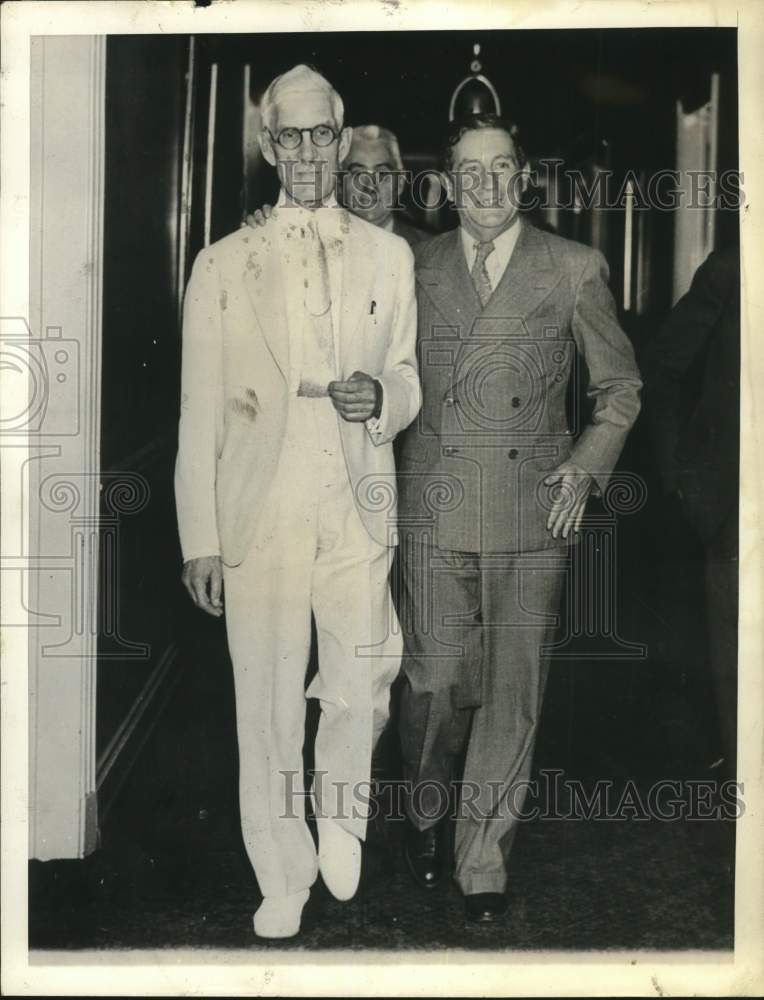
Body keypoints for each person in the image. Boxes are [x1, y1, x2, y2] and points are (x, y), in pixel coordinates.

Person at [175, 64, 420, 939]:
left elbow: (406, 375)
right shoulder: (222, 262)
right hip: (261, 503)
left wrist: (383, 400)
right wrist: (199, 537)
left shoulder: (388, 255)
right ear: (270, 146)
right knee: (268, 696)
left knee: (361, 678)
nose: (310, 152)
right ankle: (281, 870)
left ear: (341, 140)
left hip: (356, 494)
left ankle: (341, 812)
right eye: (293, 136)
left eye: (325, 135)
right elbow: (198, 407)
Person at [395, 113, 642, 923]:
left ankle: (482, 857)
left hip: (535, 507)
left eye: (501, 169)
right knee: (433, 681)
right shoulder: (414, 264)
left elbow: (620, 391)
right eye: (469, 172)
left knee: (512, 691)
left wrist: (585, 465)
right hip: (434, 500)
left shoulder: (572, 267)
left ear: (524, 177)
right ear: (445, 184)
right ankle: (428, 812)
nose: (486, 187)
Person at [644, 246, 740, 777]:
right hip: (738, 510)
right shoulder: (735, 266)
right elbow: (663, 369)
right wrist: (685, 478)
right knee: (743, 679)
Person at [341, 123, 432, 248]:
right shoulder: (317, 245)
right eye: (358, 173)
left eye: (382, 174)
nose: (370, 187)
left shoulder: (431, 249)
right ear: (340, 182)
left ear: (400, 182)